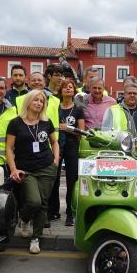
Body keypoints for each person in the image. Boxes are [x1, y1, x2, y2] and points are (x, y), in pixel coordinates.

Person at [6, 90, 59, 255]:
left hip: (47, 167)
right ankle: (24, 219)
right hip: (26, 169)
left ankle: (36, 238)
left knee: (43, 204)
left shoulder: (46, 122)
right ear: (28, 102)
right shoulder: (15, 123)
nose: (39, 103)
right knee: (34, 201)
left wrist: (56, 161)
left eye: (41, 101)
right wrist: (13, 168)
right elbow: (8, 148)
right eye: (36, 100)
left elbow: (54, 142)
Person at [53, 78, 84, 226]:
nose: (68, 89)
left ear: (74, 91)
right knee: (54, 179)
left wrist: (68, 128)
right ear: (61, 90)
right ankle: (53, 211)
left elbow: (82, 132)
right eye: (65, 87)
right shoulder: (54, 107)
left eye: (70, 87)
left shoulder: (78, 109)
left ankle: (70, 214)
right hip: (56, 146)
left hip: (72, 147)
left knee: (72, 181)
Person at [102, 83, 137, 157]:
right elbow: (105, 133)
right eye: (129, 93)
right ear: (124, 95)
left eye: (135, 93)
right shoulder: (112, 110)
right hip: (118, 155)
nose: (132, 95)